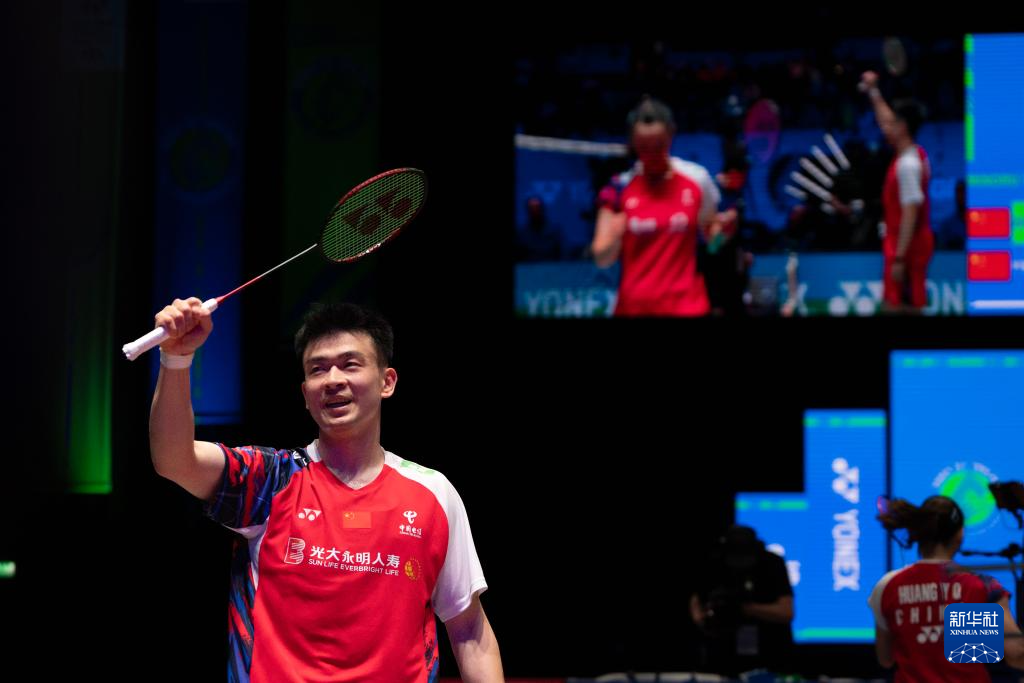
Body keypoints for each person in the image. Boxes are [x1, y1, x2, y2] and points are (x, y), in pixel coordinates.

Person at [149, 297, 503, 682]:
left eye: (350, 364)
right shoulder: (270, 480)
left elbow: (469, 630)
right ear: (306, 394)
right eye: (318, 369)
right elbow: (174, 459)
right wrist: (176, 358)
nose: (333, 379)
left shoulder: (434, 493)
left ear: (387, 382)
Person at [590, 96, 723, 316]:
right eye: (644, 147)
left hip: (686, 307)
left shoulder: (697, 179)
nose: (651, 153)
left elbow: (713, 244)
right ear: (633, 142)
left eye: (658, 145)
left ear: (671, 134)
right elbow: (602, 259)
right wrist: (616, 237)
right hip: (634, 308)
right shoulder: (618, 188)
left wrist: (722, 235)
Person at [870, 495, 1024, 681]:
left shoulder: (887, 586)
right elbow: (1016, 655)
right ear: (960, 535)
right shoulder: (979, 587)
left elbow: (886, 659)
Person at [860, 71, 934, 314]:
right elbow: (885, 120)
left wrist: (900, 258)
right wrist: (873, 91)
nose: (885, 127)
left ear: (902, 128)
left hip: (908, 251)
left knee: (902, 309)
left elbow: (911, 212)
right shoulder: (912, 153)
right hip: (902, 247)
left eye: (892, 124)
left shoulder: (908, 165)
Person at [689, 525, 795, 675]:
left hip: (769, 650)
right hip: (723, 653)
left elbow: (786, 612)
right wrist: (703, 619)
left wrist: (745, 608)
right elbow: (696, 597)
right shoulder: (715, 562)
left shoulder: (772, 563)